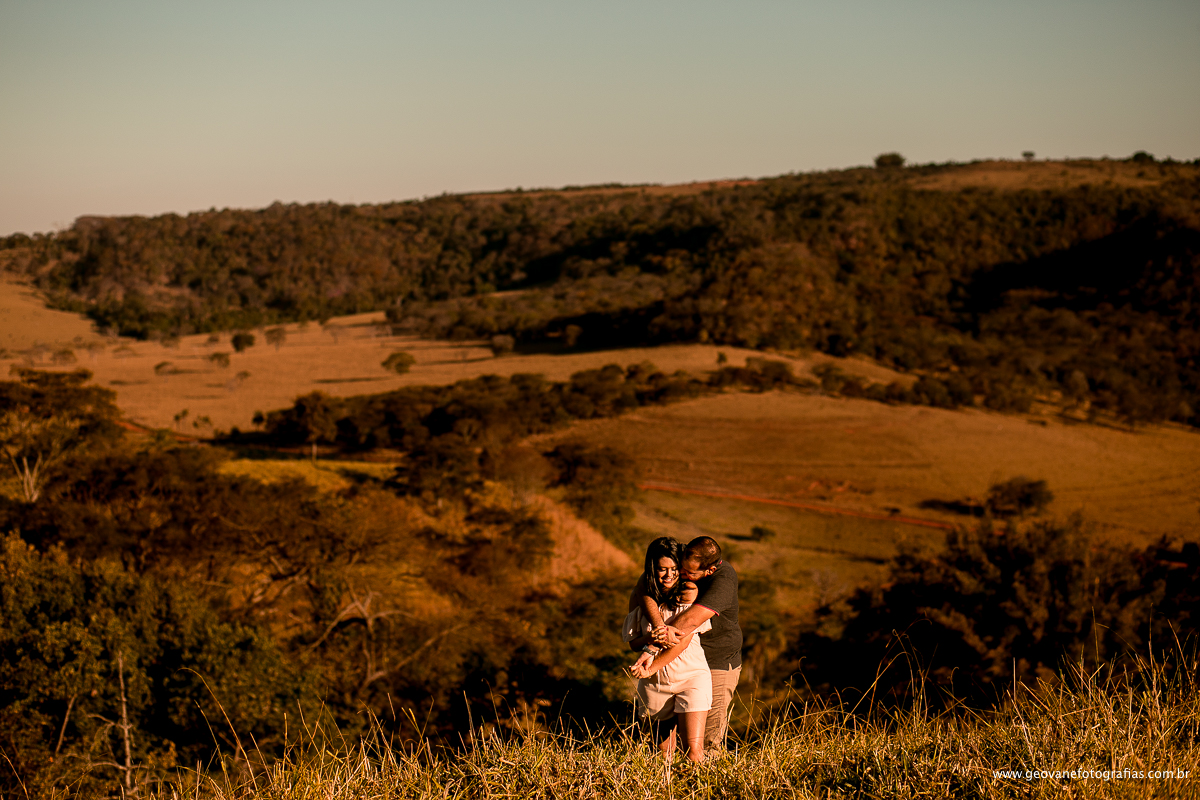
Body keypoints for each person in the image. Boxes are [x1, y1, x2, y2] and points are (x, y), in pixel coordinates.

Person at [633, 536, 741, 753]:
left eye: (689, 573)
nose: (680, 575)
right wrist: (656, 625)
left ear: (708, 571)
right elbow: (645, 584)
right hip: (673, 662)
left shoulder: (723, 579)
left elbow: (689, 622)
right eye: (681, 568)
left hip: (716, 662)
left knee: (706, 743)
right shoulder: (679, 560)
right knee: (661, 745)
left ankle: (702, 784)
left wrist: (653, 646)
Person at [622, 537, 712, 762]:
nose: (669, 575)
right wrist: (650, 636)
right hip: (656, 682)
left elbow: (682, 641)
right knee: (664, 757)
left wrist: (651, 664)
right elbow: (633, 643)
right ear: (652, 569)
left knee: (693, 753)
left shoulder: (689, 590)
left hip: (692, 675)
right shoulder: (640, 596)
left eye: (674, 569)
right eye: (662, 569)